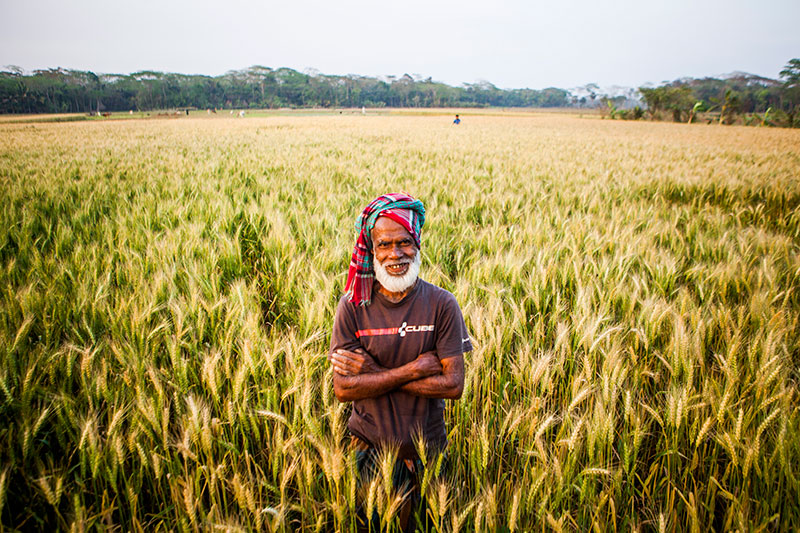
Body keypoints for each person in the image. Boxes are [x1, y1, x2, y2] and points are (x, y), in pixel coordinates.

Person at [329, 193, 472, 531]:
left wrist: (374, 372)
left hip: (428, 458)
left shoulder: (442, 305)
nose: (396, 254)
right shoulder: (352, 306)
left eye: (405, 242)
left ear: (417, 243)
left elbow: (453, 385)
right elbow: (344, 389)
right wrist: (414, 369)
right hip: (369, 455)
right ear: (372, 249)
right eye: (385, 244)